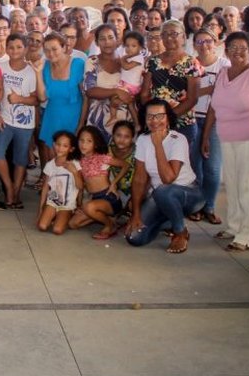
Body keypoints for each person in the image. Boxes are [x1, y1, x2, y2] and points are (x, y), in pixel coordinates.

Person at [202, 31, 249, 252]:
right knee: (232, 184)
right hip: (227, 137)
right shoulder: (223, 73)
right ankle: (233, 227)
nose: (238, 52)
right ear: (226, 51)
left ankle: (246, 235)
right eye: (233, 48)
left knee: (248, 186)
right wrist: (205, 135)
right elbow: (214, 107)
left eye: (243, 48)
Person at [126, 99, 204, 253]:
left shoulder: (178, 140)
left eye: (160, 116)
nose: (154, 121)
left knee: (164, 190)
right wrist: (135, 214)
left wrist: (158, 145)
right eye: (150, 117)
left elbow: (168, 178)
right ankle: (168, 221)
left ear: (168, 117)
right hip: (159, 195)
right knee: (134, 238)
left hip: (189, 194)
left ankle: (180, 232)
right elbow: (139, 179)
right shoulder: (142, 140)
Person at [0, 34, 44, 210]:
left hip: (24, 123)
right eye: (11, 47)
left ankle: (15, 195)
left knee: (20, 159)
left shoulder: (32, 71)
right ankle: (9, 187)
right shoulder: (0, 67)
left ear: (26, 48)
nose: (15, 51)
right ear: (6, 49)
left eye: (19, 47)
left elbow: (37, 100)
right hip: (4, 120)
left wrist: (19, 99)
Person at [70, 120, 136, 239]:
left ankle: (110, 225)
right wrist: (79, 204)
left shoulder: (102, 158)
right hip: (95, 199)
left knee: (89, 207)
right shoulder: (79, 161)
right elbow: (82, 185)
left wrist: (114, 184)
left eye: (89, 141)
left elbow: (125, 165)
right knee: (73, 224)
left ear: (95, 144)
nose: (83, 144)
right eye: (81, 140)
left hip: (109, 198)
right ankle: (103, 217)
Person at [190, 27, 228, 225]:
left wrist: (203, 90)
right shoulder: (190, 64)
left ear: (215, 43)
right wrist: (211, 88)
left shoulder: (224, 65)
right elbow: (189, 94)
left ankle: (210, 206)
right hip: (192, 118)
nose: (204, 45)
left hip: (215, 120)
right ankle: (196, 205)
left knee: (212, 167)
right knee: (195, 167)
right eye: (199, 42)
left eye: (208, 41)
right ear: (194, 45)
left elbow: (225, 93)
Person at [142, 20, 200, 148]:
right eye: (165, 34)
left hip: (182, 124)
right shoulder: (152, 61)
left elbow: (192, 98)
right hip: (155, 123)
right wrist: (154, 117)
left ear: (183, 37)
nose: (169, 38)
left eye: (174, 34)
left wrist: (167, 118)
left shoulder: (191, 63)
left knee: (178, 165)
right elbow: (145, 93)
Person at [38, 32, 86, 161]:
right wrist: (38, 73)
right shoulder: (45, 67)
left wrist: (81, 123)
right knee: (52, 159)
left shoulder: (78, 64)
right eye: (46, 50)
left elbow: (86, 97)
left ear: (64, 47)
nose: (50, 53)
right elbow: (42, 98)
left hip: (73, 118)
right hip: (52, 117)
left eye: (54, 49)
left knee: (71, 159)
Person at [83, 25, 136, 138]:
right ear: (96, 42)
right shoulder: (92, 61)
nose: (107, 42)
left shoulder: (128, 61)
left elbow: (135, 88)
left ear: (117, 40)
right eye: (102, 39)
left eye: (111, 37)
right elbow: (90, 91)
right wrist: (116, 91)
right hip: (98, 120)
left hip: (124, 121)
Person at [37, 131, 82, 235]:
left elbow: (80, 186)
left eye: (65, 146)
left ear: (71, 149)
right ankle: (53, 216)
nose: (60, 148)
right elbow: (45, 188)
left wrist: (74, 172)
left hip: (67, 205)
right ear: (54, 144)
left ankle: (66, 215)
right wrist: (40, 210)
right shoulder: (50, 165)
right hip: (52, 202)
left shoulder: (75, 163)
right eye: (58, 144)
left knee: (57, 230)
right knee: (42, 226)